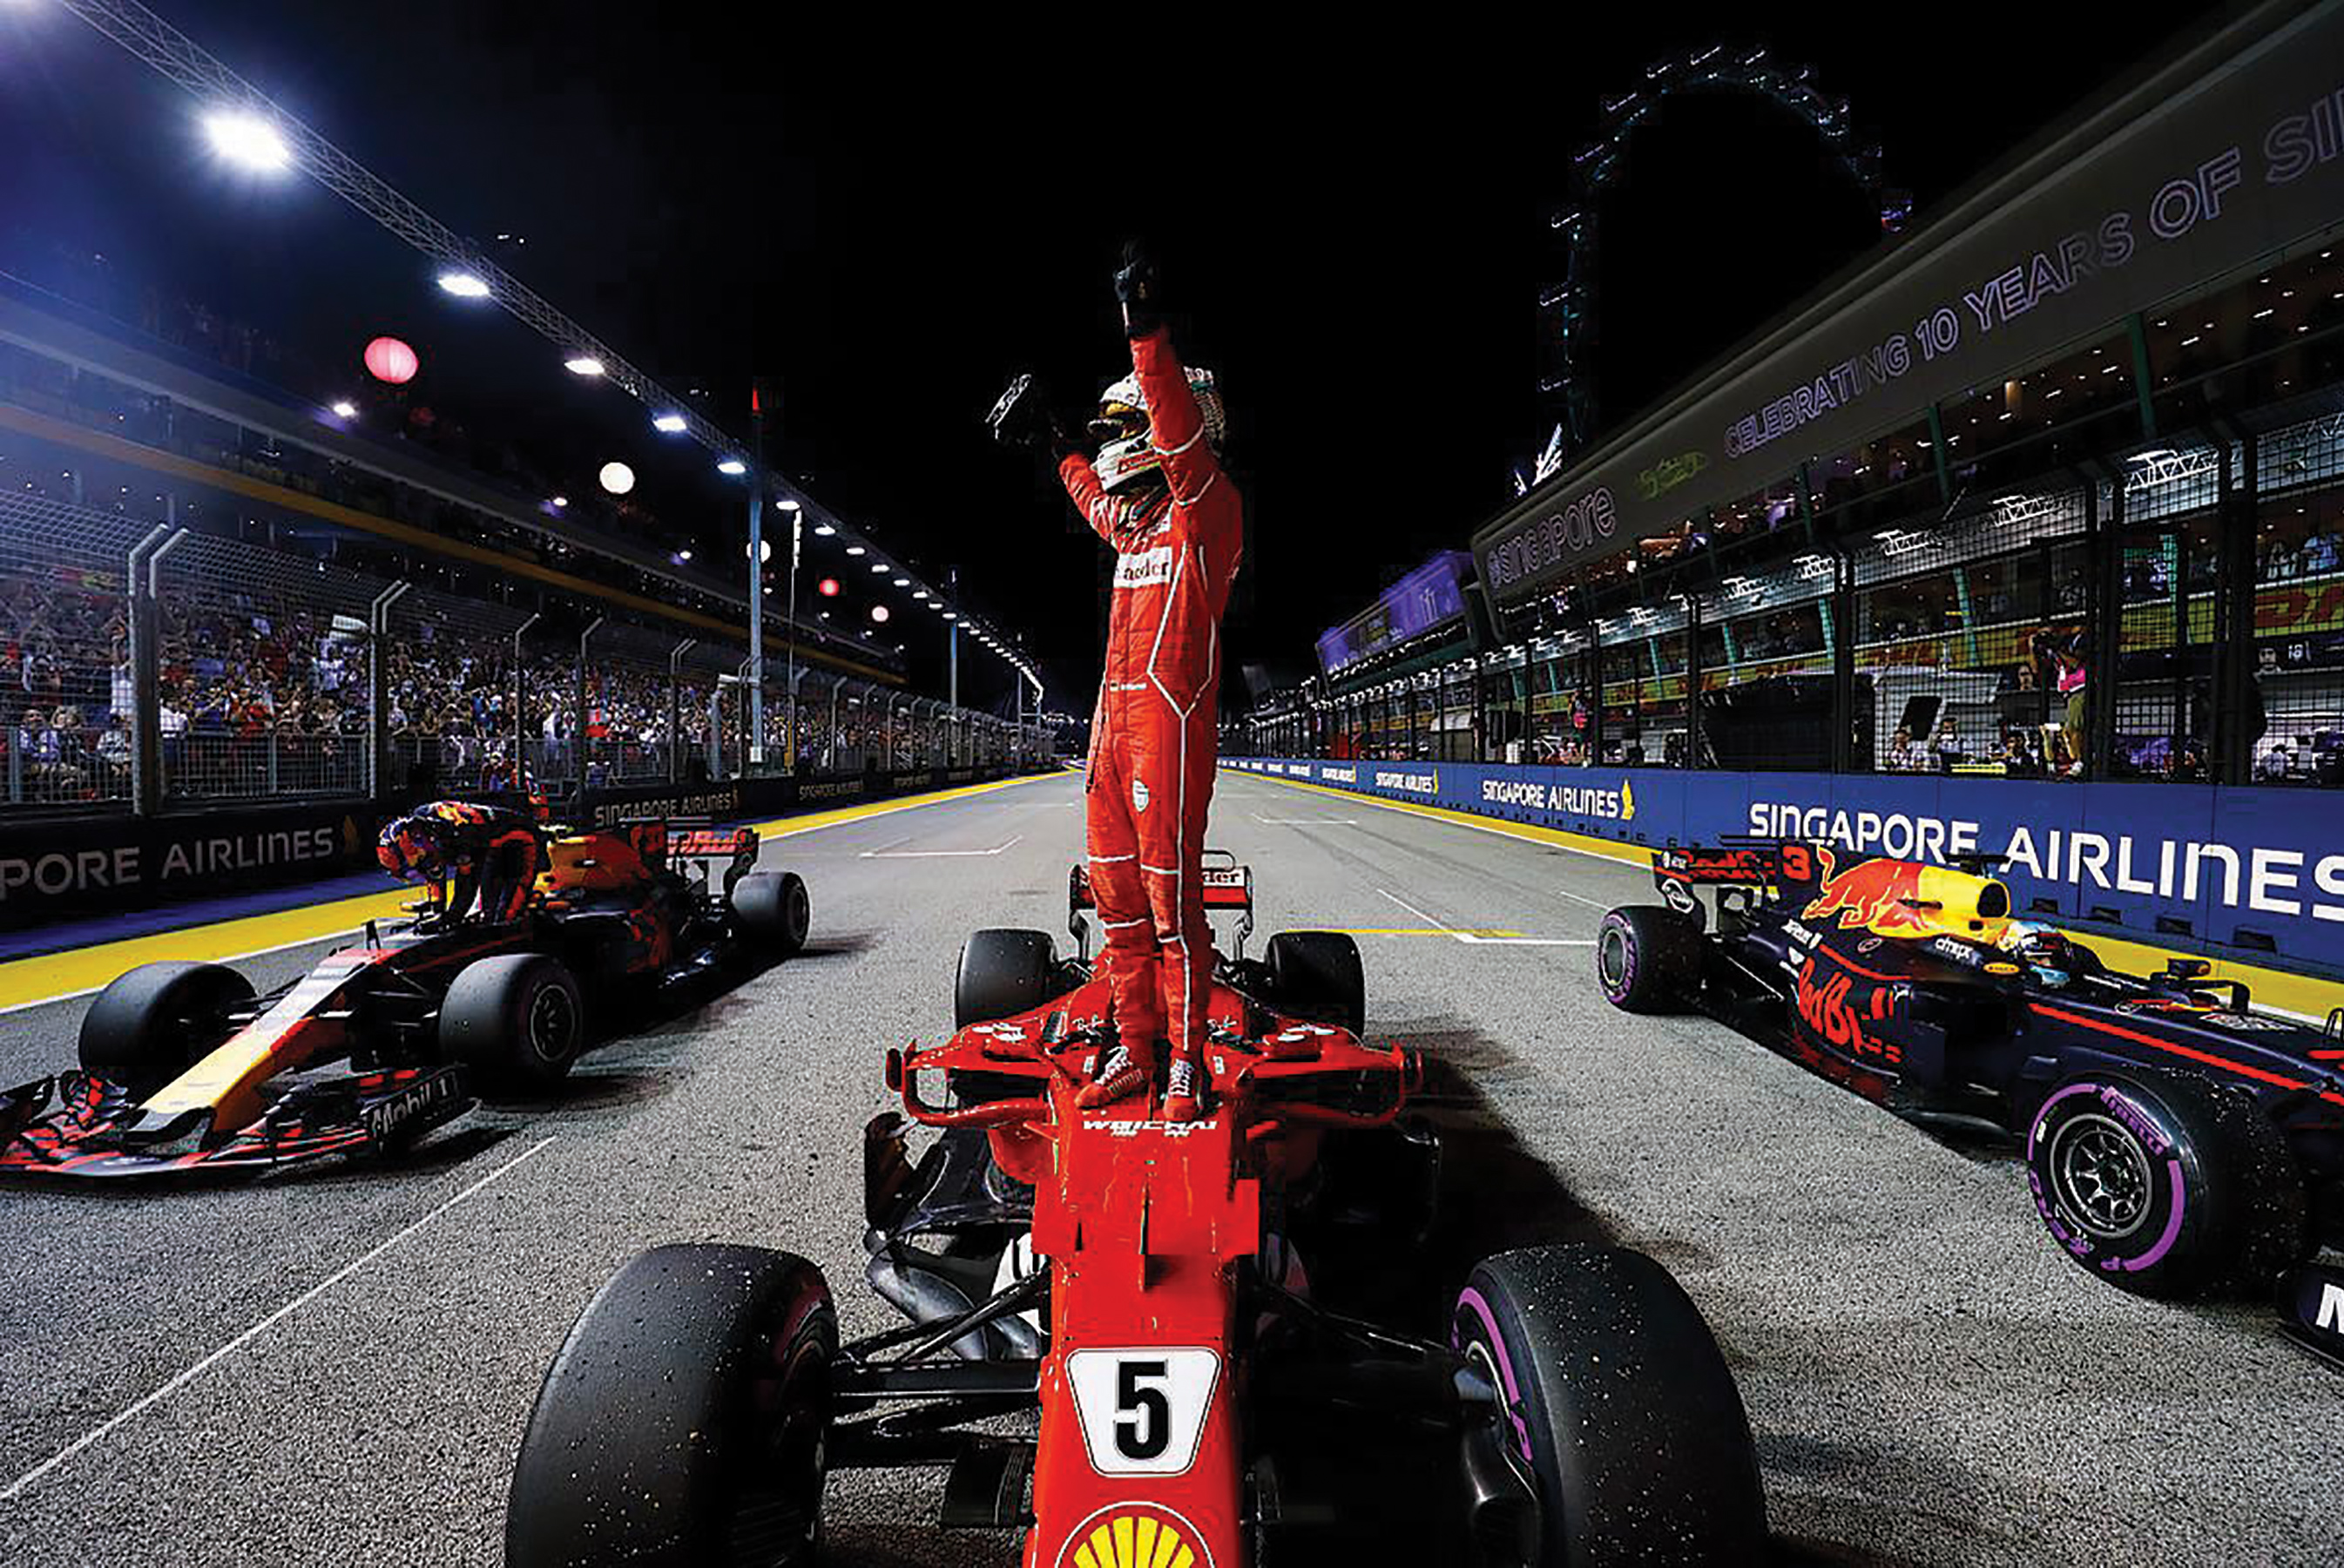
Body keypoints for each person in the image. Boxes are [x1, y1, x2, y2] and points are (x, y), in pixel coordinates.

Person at [989, 243, 1242, 1122]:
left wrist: (1145, 336)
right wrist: (1056, 441)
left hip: (1169, 727)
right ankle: (1137, 1051)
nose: (1111, 448)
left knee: (1174, 908)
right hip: (1110, 732)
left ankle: (1188, 1061)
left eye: (1114, 431)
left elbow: (1174, 435)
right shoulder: (1136, 533)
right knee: (1120, 906)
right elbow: (1089, 499)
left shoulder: (1206, 516)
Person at [375, 798, 550, 928]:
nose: (417, 869)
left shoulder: (461, 835)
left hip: (521, 840)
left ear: (418, 844)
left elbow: (467, 886)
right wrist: (438, 914)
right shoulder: (425, 834)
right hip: (488, 845)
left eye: (414, 863)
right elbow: (435, 875)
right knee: (487, 913)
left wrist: (450, 918)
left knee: (504, 918)